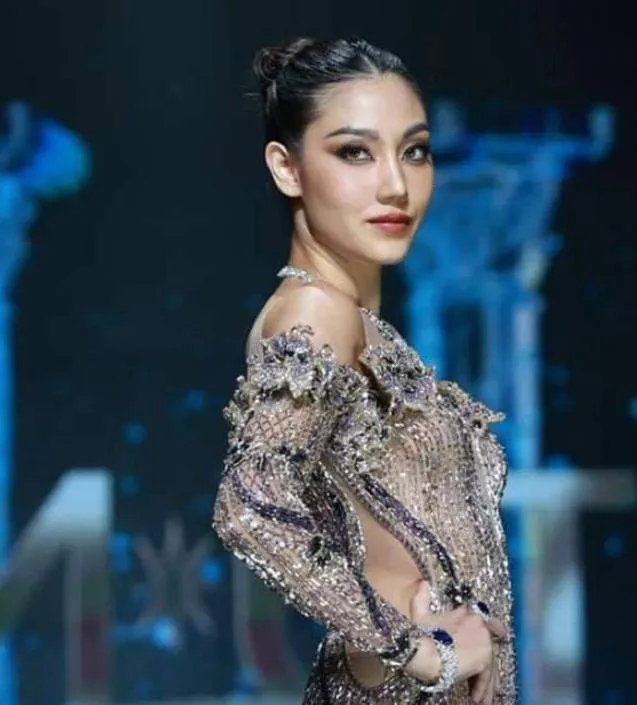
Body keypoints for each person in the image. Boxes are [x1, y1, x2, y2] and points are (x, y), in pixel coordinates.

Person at [212, 36, 516, 704]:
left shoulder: (357, 323)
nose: (395, 185)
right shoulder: (316, 311)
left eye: (414, 151)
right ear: (287, 168)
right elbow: (249, 507)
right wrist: (422, 653)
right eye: (355, 152)